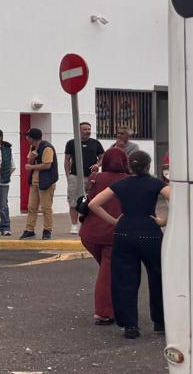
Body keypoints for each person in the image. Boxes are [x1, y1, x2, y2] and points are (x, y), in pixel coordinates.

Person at [86, 149, 170, 340]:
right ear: (148, 166)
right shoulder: (155, 183)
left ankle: (130, 325)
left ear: (129, 166)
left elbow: (93, 204)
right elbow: (178, 198)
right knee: (158, 277)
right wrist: (165, 220)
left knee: (125, 280)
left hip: (124, 233)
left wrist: (115, 221)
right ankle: (160, 321)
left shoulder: (121, 184)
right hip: (150, 233)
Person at [78, 148, 129, 325]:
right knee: (108, 274)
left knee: (109, 271)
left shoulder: (95, 178)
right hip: (112, 234)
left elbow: (89, 196)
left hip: (89, 233)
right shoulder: (128, 180)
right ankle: (104, 312)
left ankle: (112, 306)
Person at [20, 127, 58, 240]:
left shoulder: (47, 148)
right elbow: (29, 162)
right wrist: (32, 158)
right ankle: (29, 230)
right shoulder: (33, 148)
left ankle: (47, 230)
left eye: (28, 137)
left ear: (31, 138)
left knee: (46, 207)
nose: (27, 139)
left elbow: (47, 165)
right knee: (31, 207)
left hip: (46, 181)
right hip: (34, 181)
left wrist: (32, 166)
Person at [65, 122, 103, 233]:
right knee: (73, 201)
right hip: (75, 176)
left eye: (89, 129)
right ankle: (74, 225)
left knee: (90, 201)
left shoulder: (96, 143)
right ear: (79, 131)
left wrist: (98, 165)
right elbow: (67, 160)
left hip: (91, 177)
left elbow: (102, 157)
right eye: (85, 129)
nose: (87, 131)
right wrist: (68, 175)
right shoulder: (71, 143)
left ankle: (87, 224)